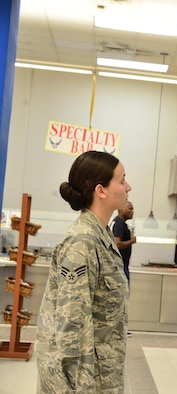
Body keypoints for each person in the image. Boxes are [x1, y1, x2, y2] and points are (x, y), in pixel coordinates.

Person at [36, 151, 132, 393]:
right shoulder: (83, 242)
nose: (128, 187)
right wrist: (80, 387)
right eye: (122, 180)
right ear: (101, 190)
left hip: (102, 373)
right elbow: (72, 326)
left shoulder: (101, 236)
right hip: (83, 381)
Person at [111, 201, 136, 284]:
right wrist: (132, 241)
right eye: (130, 208)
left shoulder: (119, 223)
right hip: (119, 267)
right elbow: (117, 244)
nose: (132, 211)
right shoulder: (119, 224)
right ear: (121, 209)